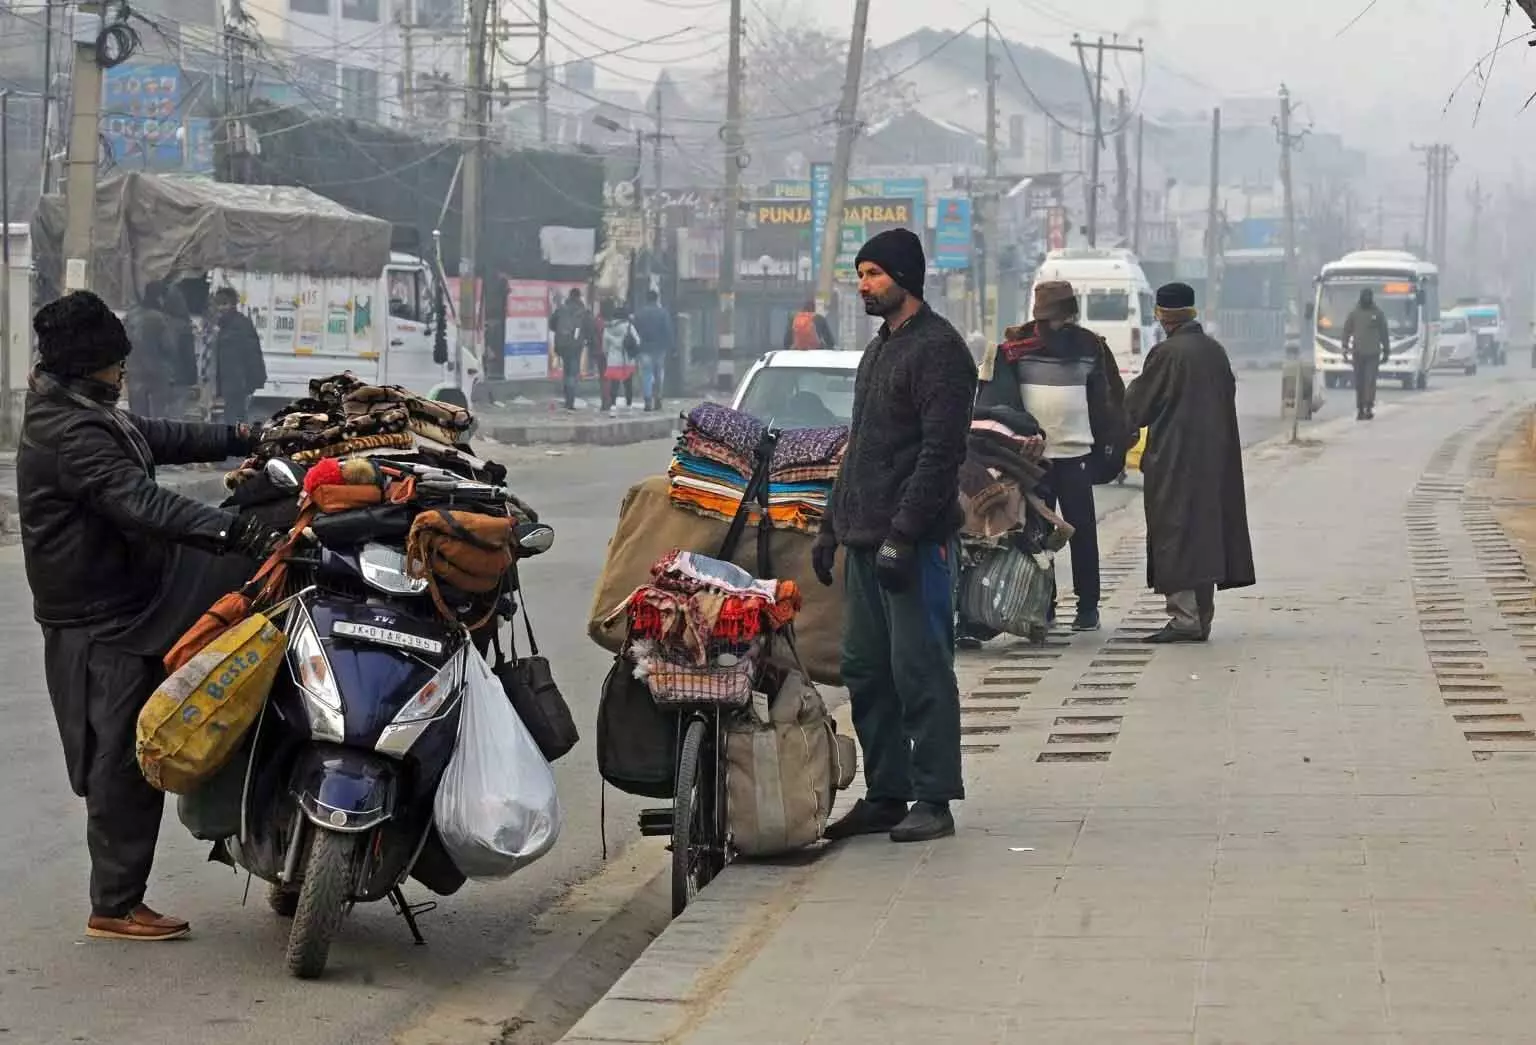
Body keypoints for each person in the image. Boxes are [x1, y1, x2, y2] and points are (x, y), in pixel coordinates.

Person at [18, 291, 285, 941]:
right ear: (90, 367)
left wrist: (246, 435)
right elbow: (142, 503)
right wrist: (236, 532)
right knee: (118, 756)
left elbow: (157, 436)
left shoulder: (86, 411)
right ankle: (113, 904)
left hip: (135, 591)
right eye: (115, 365)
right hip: (100, 615)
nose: (122, 375)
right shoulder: (69, 433)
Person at [811, 228, 977, 844]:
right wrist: (832, 525)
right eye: (859, 274)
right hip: (864, 542)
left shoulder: (939, 351)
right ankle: (887, 792)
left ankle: (934, 797)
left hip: (914, 546)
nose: (863, 285)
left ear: (905, 278)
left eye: (874, 273)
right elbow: (859, 449)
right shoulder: (879, 350)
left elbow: (941, 453)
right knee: (866, 671)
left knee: (920, 670)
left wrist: (904, 534)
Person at [975, 280, 1129, 633]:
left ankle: (1088, 607)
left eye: (1058, 317)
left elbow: (1106, 400)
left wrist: (1112, 444)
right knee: (1035, 536)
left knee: (1083, 533)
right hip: (1033, 459)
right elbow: (1000, 402)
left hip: (1076, 456)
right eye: (1047, 317)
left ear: (1070, 315)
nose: (1053, 325)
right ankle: (1043, 606)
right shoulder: (1016, 346)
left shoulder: (1091, 347)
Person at [1124, 282, 1256, 643]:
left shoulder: (1167, 354)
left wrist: (1115, 430)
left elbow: (1136, 406)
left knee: (1176, 533)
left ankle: (1184, 618)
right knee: (1205, 535)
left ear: (1163, 316)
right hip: (1215, 460)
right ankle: (1201, 617)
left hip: (1175, 460)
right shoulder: (1215, 351)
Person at [210, 286, 268, 424]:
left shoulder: (240, 325)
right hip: (228, 382)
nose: (220, 308)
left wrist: (251, 381)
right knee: (235, 417)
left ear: (233, 304)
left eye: (224, 304)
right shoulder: (222, 325)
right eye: (218, 304)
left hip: (238, 382)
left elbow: (252, 355)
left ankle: (236, 443)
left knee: (234, 417)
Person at [121, 280, 177, 418]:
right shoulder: (161, 319)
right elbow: (169, 346)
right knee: (157, 416)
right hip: (157, 373)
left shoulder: (130, 316)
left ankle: (136, 438)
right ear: (160, 297)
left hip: (133, 372)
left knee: (137, 414)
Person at [1341, 287, 1391, 421]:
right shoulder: (1354, 314)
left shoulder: (1378, 314)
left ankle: (1368, 407)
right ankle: (1360, 408)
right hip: (1358, 353)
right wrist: (1345, 347)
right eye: (1365, 296)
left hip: (1373, 354)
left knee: (1370, 381)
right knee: (1359, 382)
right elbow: (1346, 330)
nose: (1367, 299)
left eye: (1369, 296)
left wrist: (1386, 351)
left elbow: (1384, 333)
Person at [550, 288, 595, 411]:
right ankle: (570, 400)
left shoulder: (561, 309)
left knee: (566, 369)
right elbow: (590, 328)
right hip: (576, 345)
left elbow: (551, 324)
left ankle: (567, 397)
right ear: (579, 297)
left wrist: (561, 332)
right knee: (573, 372)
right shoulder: (584, 311)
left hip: (562, 344)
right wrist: (587, 339)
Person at [632, 288, 676, 412]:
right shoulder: (663, 313)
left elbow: (634, 331)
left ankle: (647, 400)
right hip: (659, 348)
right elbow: (668, 331)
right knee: (658, 374)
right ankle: (658, 398)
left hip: (644, 348)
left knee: (646, 374)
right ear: (657, 299)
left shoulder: (639, 313)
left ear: (646, 299)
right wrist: (672, 347)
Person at [601, 300, 638, 415]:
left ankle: (612, 406)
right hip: (627, 359)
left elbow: (604, 347)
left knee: (614, 383)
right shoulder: (628, 326)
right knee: (628, 383)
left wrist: (608, 354)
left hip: (613, 359)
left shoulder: (608, 328)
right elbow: (637, 341)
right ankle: (629, 405)